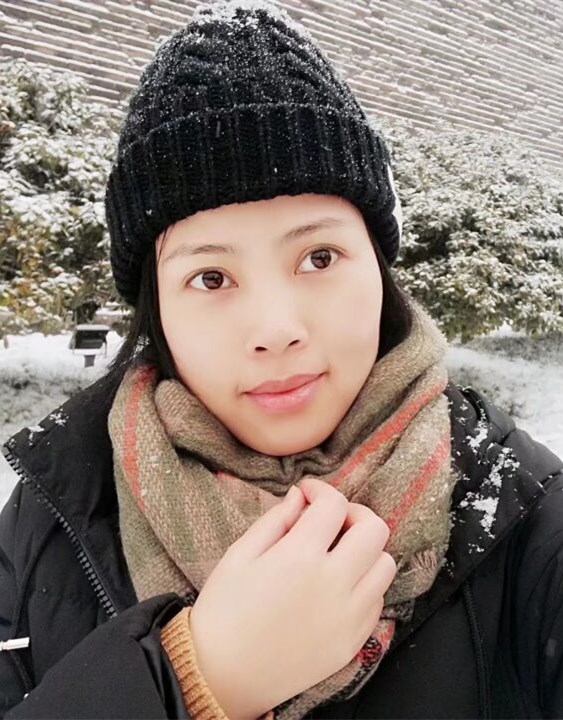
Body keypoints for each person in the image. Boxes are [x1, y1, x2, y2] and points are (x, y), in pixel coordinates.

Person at [1, 1, 562, 718]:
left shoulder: (531, 522)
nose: (275, 330)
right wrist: (196, 678)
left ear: (379, 269)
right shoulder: (47, 519)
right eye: (211, 277)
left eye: (319, 257)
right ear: (156, 309)